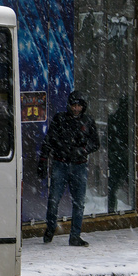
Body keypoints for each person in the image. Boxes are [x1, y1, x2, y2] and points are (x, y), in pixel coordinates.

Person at [38, 90, 101, 246]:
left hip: (79, 165)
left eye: (79, 106)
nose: (76, 109)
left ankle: (75, 235)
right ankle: (51, 226)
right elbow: (49, 140)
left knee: (79, 202)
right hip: (60, 163)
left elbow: (96, 143)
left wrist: (84, 150)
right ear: (69, 105)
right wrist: (43, 159)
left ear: (83, 106)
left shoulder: (87, 121)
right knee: (54, 200)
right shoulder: (60, 119)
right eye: (73, 105)